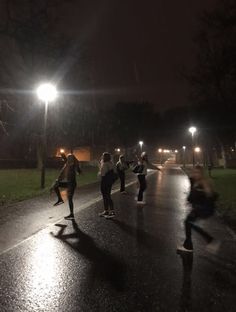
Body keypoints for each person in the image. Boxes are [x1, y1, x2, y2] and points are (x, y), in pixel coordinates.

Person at [177, 165, 218, 253]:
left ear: (202, 173)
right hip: (198, 208)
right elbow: (192, 195)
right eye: (194, 172)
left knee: (188, 223)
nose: (195, 174)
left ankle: (206, 241)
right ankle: (191, 244)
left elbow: (210, 196)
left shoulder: (204, 182)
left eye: (198, 172)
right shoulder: (195, 181)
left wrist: (202, 206)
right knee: (188, 223)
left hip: (203, 209)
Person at [52, 153, 82, 220]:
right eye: (68, 158)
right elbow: (62, 174)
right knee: (55, 185)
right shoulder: (67, 165)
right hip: (68, 183)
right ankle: (60, 199)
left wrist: (78, 169)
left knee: (70, 198)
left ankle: (71, 214)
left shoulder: (74, 165)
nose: (69, 159)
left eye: (70, 158)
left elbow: (79, 171)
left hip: (72, 184)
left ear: (73, 159)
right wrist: (58, 181)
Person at [98, 152, 116, 219]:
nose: (102, 157)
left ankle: (112, 212)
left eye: (103, 156)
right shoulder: (106, 163)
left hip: (106, 181)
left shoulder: (107, 164)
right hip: (106, 181)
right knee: (105, 196)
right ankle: (106, 211)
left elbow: (106, 173)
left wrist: (101, 174)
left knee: (107, 196)